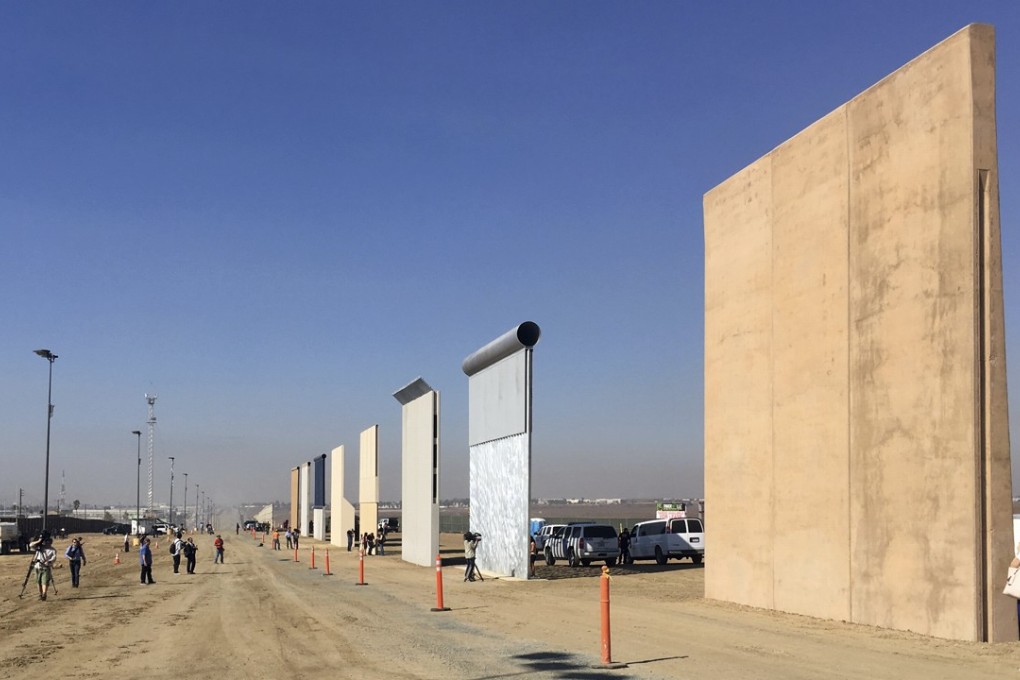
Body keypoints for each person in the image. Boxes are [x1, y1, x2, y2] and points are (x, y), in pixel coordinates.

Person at [31, 534, 57, 600]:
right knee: (38, 581)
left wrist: (49, 562)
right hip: (37, 567)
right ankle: (40, 594)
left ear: (51, 542)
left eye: (48, 542)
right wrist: (39, 541)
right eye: (45, 541)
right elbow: (31, 545)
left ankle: (44, 594)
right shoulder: (40, 547)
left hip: (46, 568)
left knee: (44, 582)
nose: (47, 543)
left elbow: (54, 558)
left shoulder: (53, 550)